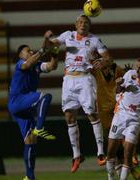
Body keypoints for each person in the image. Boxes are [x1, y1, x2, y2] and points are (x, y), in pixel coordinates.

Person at [49, 14, 112, 172]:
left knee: (92, 115)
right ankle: (76, 155)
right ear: (76, 24)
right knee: (69, 116)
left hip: (85, 79)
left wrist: (102, 61)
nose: (83, 24)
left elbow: (108, 58)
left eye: (86, 23)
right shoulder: (68, 35)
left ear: (89, 26)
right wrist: (48, 39)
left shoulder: (95, 40)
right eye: (81, 22)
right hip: (69, 80)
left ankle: (100, 152)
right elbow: (52, 44)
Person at [7, 32, 59, 180]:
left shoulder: (35, 65)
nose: (30, 51)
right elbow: (28, 63)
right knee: (45, 96)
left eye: (30, 50)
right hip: (17, 101)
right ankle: (40, 127)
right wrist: (44, 46)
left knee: (30, 140)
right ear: (20, 55)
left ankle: (29, 177)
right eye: (27, 50)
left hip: (23, 107)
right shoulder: (21, 64)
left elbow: (52, 66)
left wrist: (54, 53)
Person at [106, 56, 140, 180]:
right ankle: (111, 177)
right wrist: (118, 84)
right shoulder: (130, 74)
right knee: (110, 152)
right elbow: (118, 91)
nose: (137, 70)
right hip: (119, 115)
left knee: (128, 153)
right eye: (137, 67)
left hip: (135, 120)